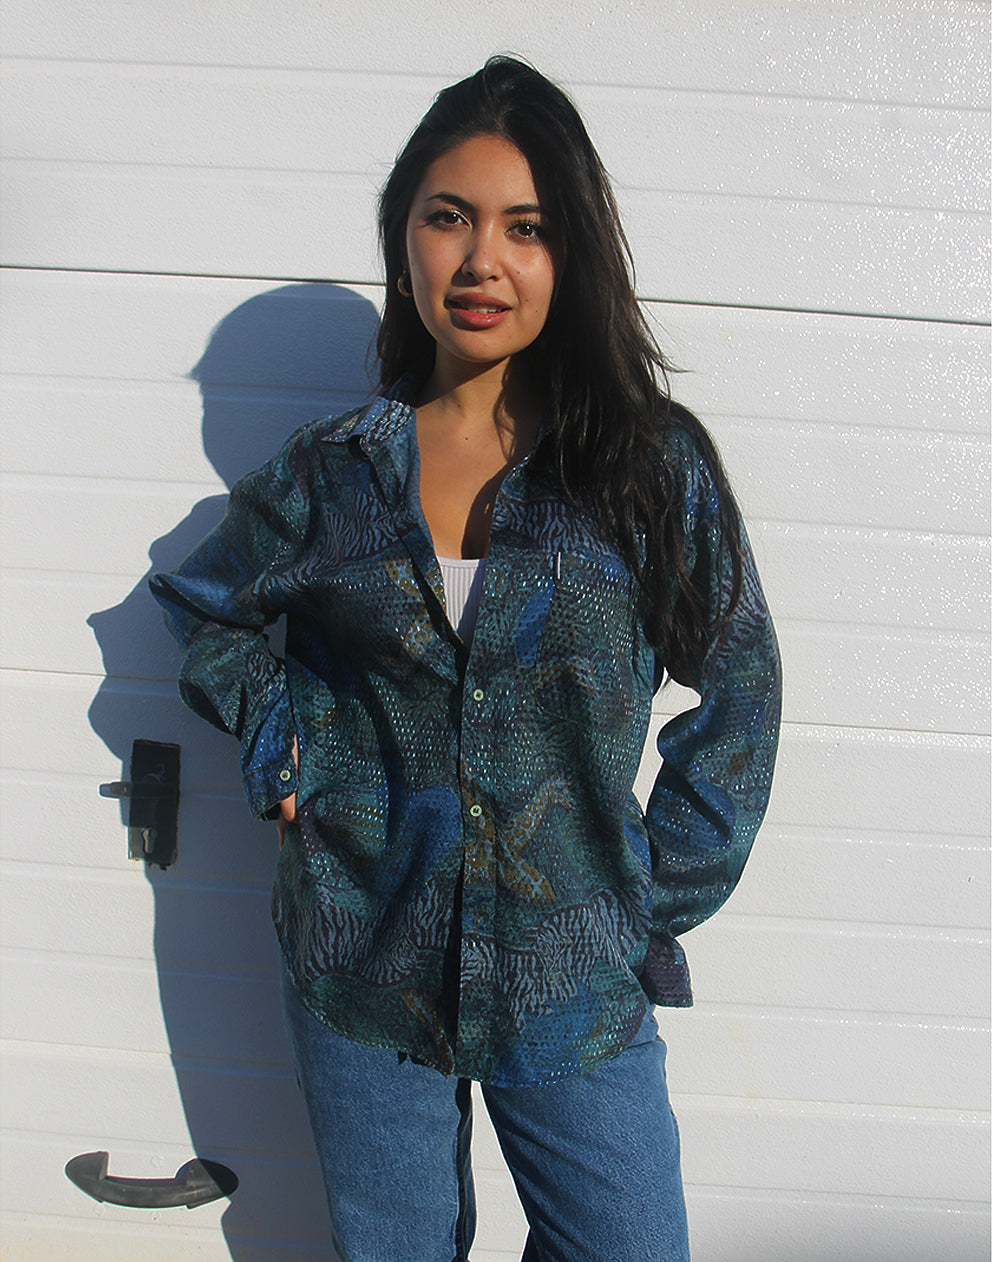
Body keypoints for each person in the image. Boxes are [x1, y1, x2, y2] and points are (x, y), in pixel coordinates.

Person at [151, 56, 781, 1262]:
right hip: (360, 956)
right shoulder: (331, 475)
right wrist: (282, 737)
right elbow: (207, 610)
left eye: (525, 227)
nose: (481, 259)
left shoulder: (646, 472)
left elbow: (740, 686)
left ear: (570, 254)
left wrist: (644, 896)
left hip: (568, 976)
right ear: (404, 243)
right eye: (448, 218)